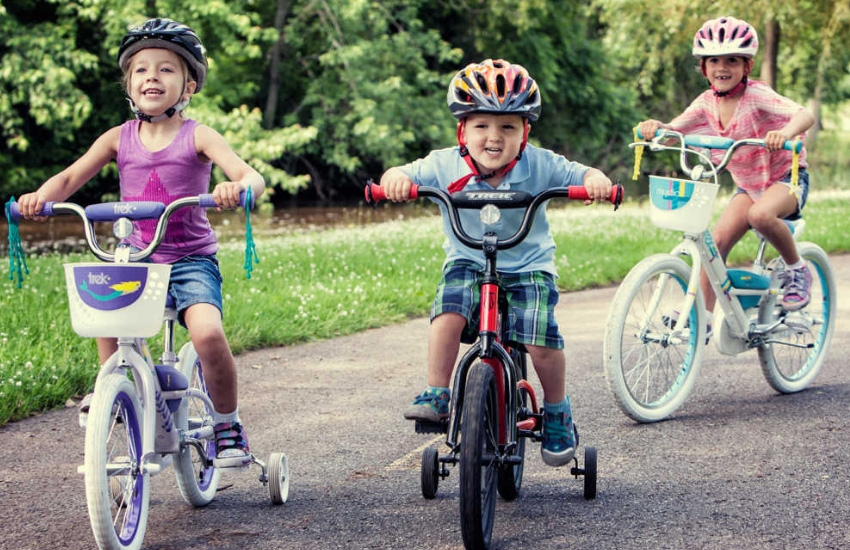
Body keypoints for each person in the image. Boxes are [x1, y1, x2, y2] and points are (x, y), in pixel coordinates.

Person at [16, 18, 265, 469]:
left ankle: (227, 423)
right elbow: (70, 178)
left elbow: (249, 174)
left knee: (208, 334)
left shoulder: (199, 135)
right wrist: (38, 199)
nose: (153, 77)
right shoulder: (118, 138)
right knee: (104, 309)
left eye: (166, 69)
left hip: (190, 260)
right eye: (141, 69)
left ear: (189, 85)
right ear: (129, 84)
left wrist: (240, 187)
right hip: (137, 259)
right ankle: (116, 388)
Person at [379, 59, 613, 467]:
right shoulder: (443, 164)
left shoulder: (539, 164)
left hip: (528, 266)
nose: (494, 137)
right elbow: (399, 173)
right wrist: (394, 181)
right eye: (481, 125)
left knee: (540, 340)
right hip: (468, 259)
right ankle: (437, 392)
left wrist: (595, 181)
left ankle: (557, 410)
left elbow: (581, 172)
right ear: (462, 130)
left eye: (507, 126)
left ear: (525, 132)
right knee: (448, 313)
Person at [638, 16, 815, 335]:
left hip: (786, 178)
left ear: (747, 66)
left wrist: (784, 133)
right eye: (714, 60)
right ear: (703, 67)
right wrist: (655, 129)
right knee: (714, 242)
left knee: (760, 215)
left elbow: (805, 115)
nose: (722, 67)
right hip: (748, 187)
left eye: (732, 60)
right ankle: (703, 316)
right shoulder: (705, 103)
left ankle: (797, 269)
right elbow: (674, 130)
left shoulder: (757, 96)